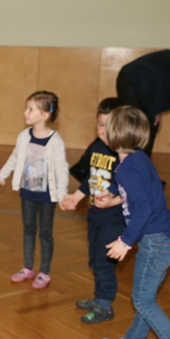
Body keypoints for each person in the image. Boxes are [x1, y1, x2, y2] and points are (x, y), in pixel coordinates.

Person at [98, 106, 170, 339]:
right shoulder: (136, 160)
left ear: (116, 135)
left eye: (106, 127)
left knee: (142, 300)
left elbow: (143, 208)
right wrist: (111, 193)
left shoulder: (127, 169)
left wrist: (124, 241)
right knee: (146, 298)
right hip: (168, 240)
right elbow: (136, 186)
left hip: (155, 244)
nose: (101, 131)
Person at [0, 91, 68, 289]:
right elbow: (15, 157)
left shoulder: (56, 141)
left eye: (30, 109)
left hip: (47, 196)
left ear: (45, 115)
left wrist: (62, 195)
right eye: (26, 108)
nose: (25, 113)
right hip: (27, 192)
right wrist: (2, 175)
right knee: (28, 229)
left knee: (45, 232)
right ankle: (28, 267)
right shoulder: (23, 136)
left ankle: (44, 272)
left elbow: (61, 169)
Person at [60, 98, 125, 323]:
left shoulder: (123, 155)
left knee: (104, 262)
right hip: (95, 215)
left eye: (110, 126)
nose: (103, 131)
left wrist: (112, 200)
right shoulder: (97, 149)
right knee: (95, 260)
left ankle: (105, 305)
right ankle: (99, 298)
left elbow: (128, 187)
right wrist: (76, 197)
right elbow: (92, 178)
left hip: (114, 220)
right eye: (100, 124)